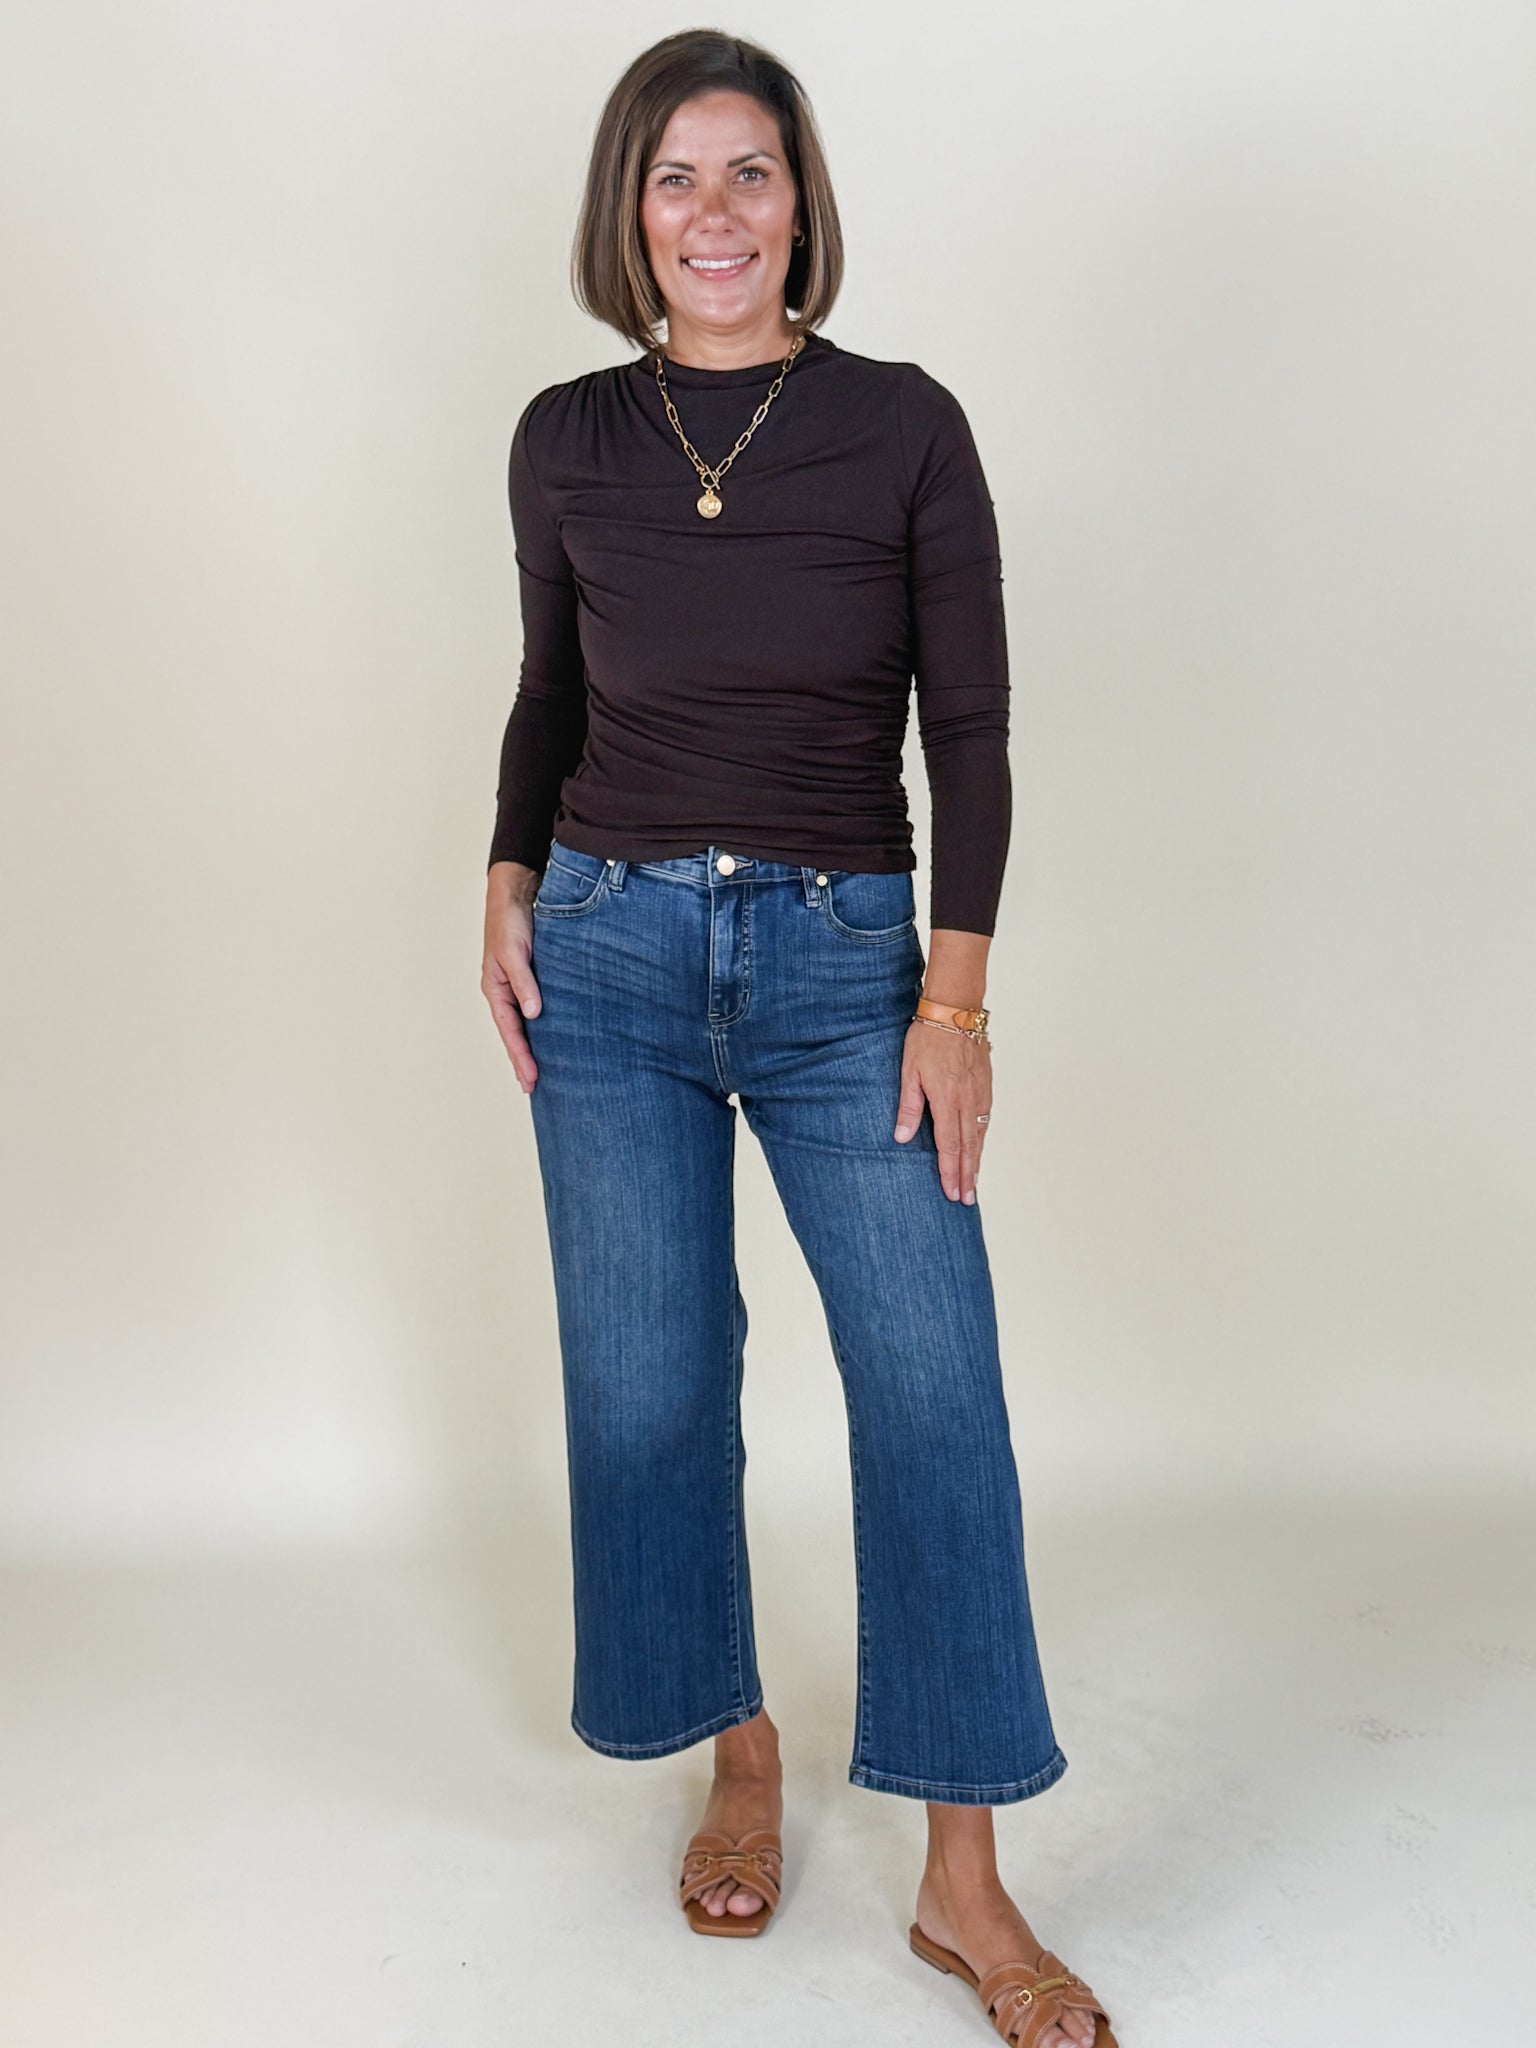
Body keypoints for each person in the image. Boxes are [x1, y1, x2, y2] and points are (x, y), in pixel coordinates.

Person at [480, 30, 1116, 2048]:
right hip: (610, 954)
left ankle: (962, 1878)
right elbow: (551, 689)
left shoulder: (904, 426)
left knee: (934, 1392)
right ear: (629, 212)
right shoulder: (565, 437)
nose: (714, 213)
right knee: (647, 1389)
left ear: (800, 201)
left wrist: (957, 996)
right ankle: (736, 1751)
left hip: (850, 965)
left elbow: (972, 729)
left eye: (749, 171)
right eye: (674, 177)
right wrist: (505, 872)